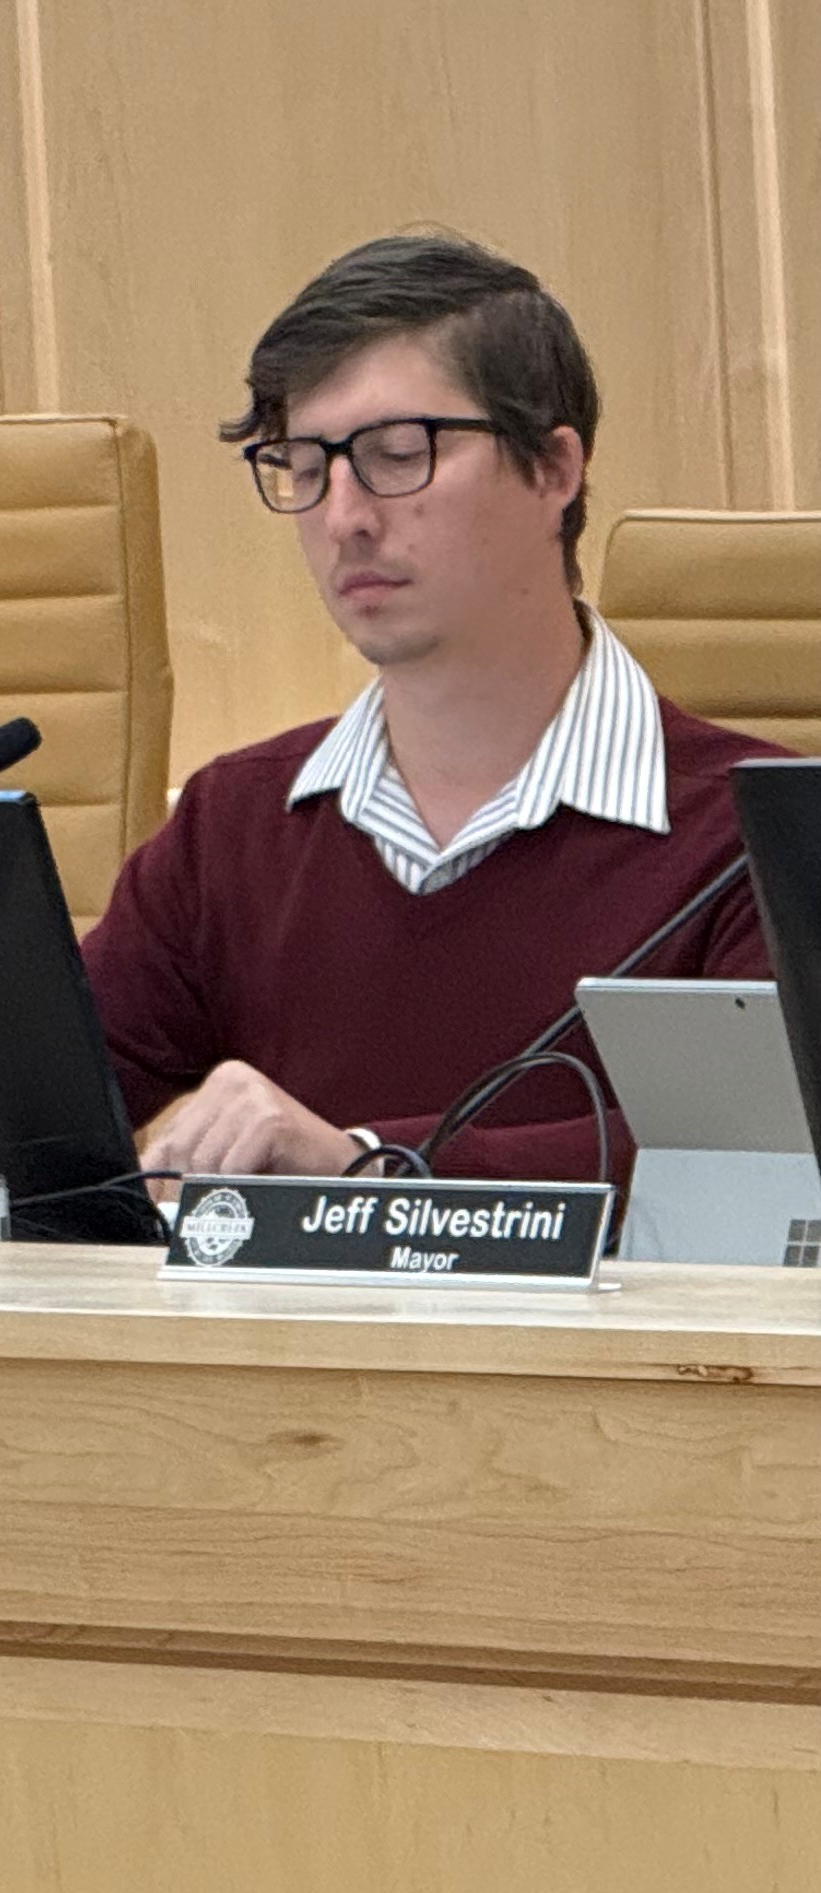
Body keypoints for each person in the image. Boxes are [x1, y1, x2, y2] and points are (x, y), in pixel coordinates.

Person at [85, 232, 780, 1184]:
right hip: (289, 1337)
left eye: (395, 456)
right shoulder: (235, 823)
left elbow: (756, 1149)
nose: (344, 515)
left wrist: (373, 1168)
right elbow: (20, 1111)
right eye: (304, 466)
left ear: (554, 470)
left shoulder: (754, 836)